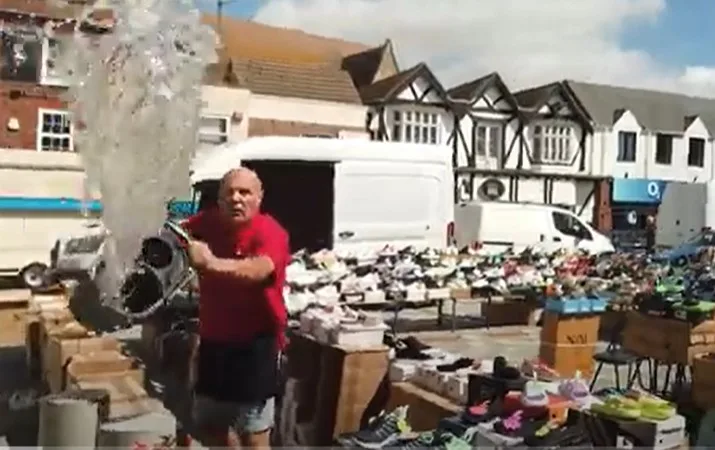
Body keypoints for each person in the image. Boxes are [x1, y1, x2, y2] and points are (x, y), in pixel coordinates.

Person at [182, 167, 289, 449]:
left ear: (259, 198)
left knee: (253, 434)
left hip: (255, 346)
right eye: (229, 192)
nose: (236, 199)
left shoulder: (271, 231)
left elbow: (260, 269)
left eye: (245, 192)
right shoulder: (208, 222)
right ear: (219, 199)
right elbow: (176, 233)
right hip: (214, 341)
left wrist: (210, 263)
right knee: (209, 425)